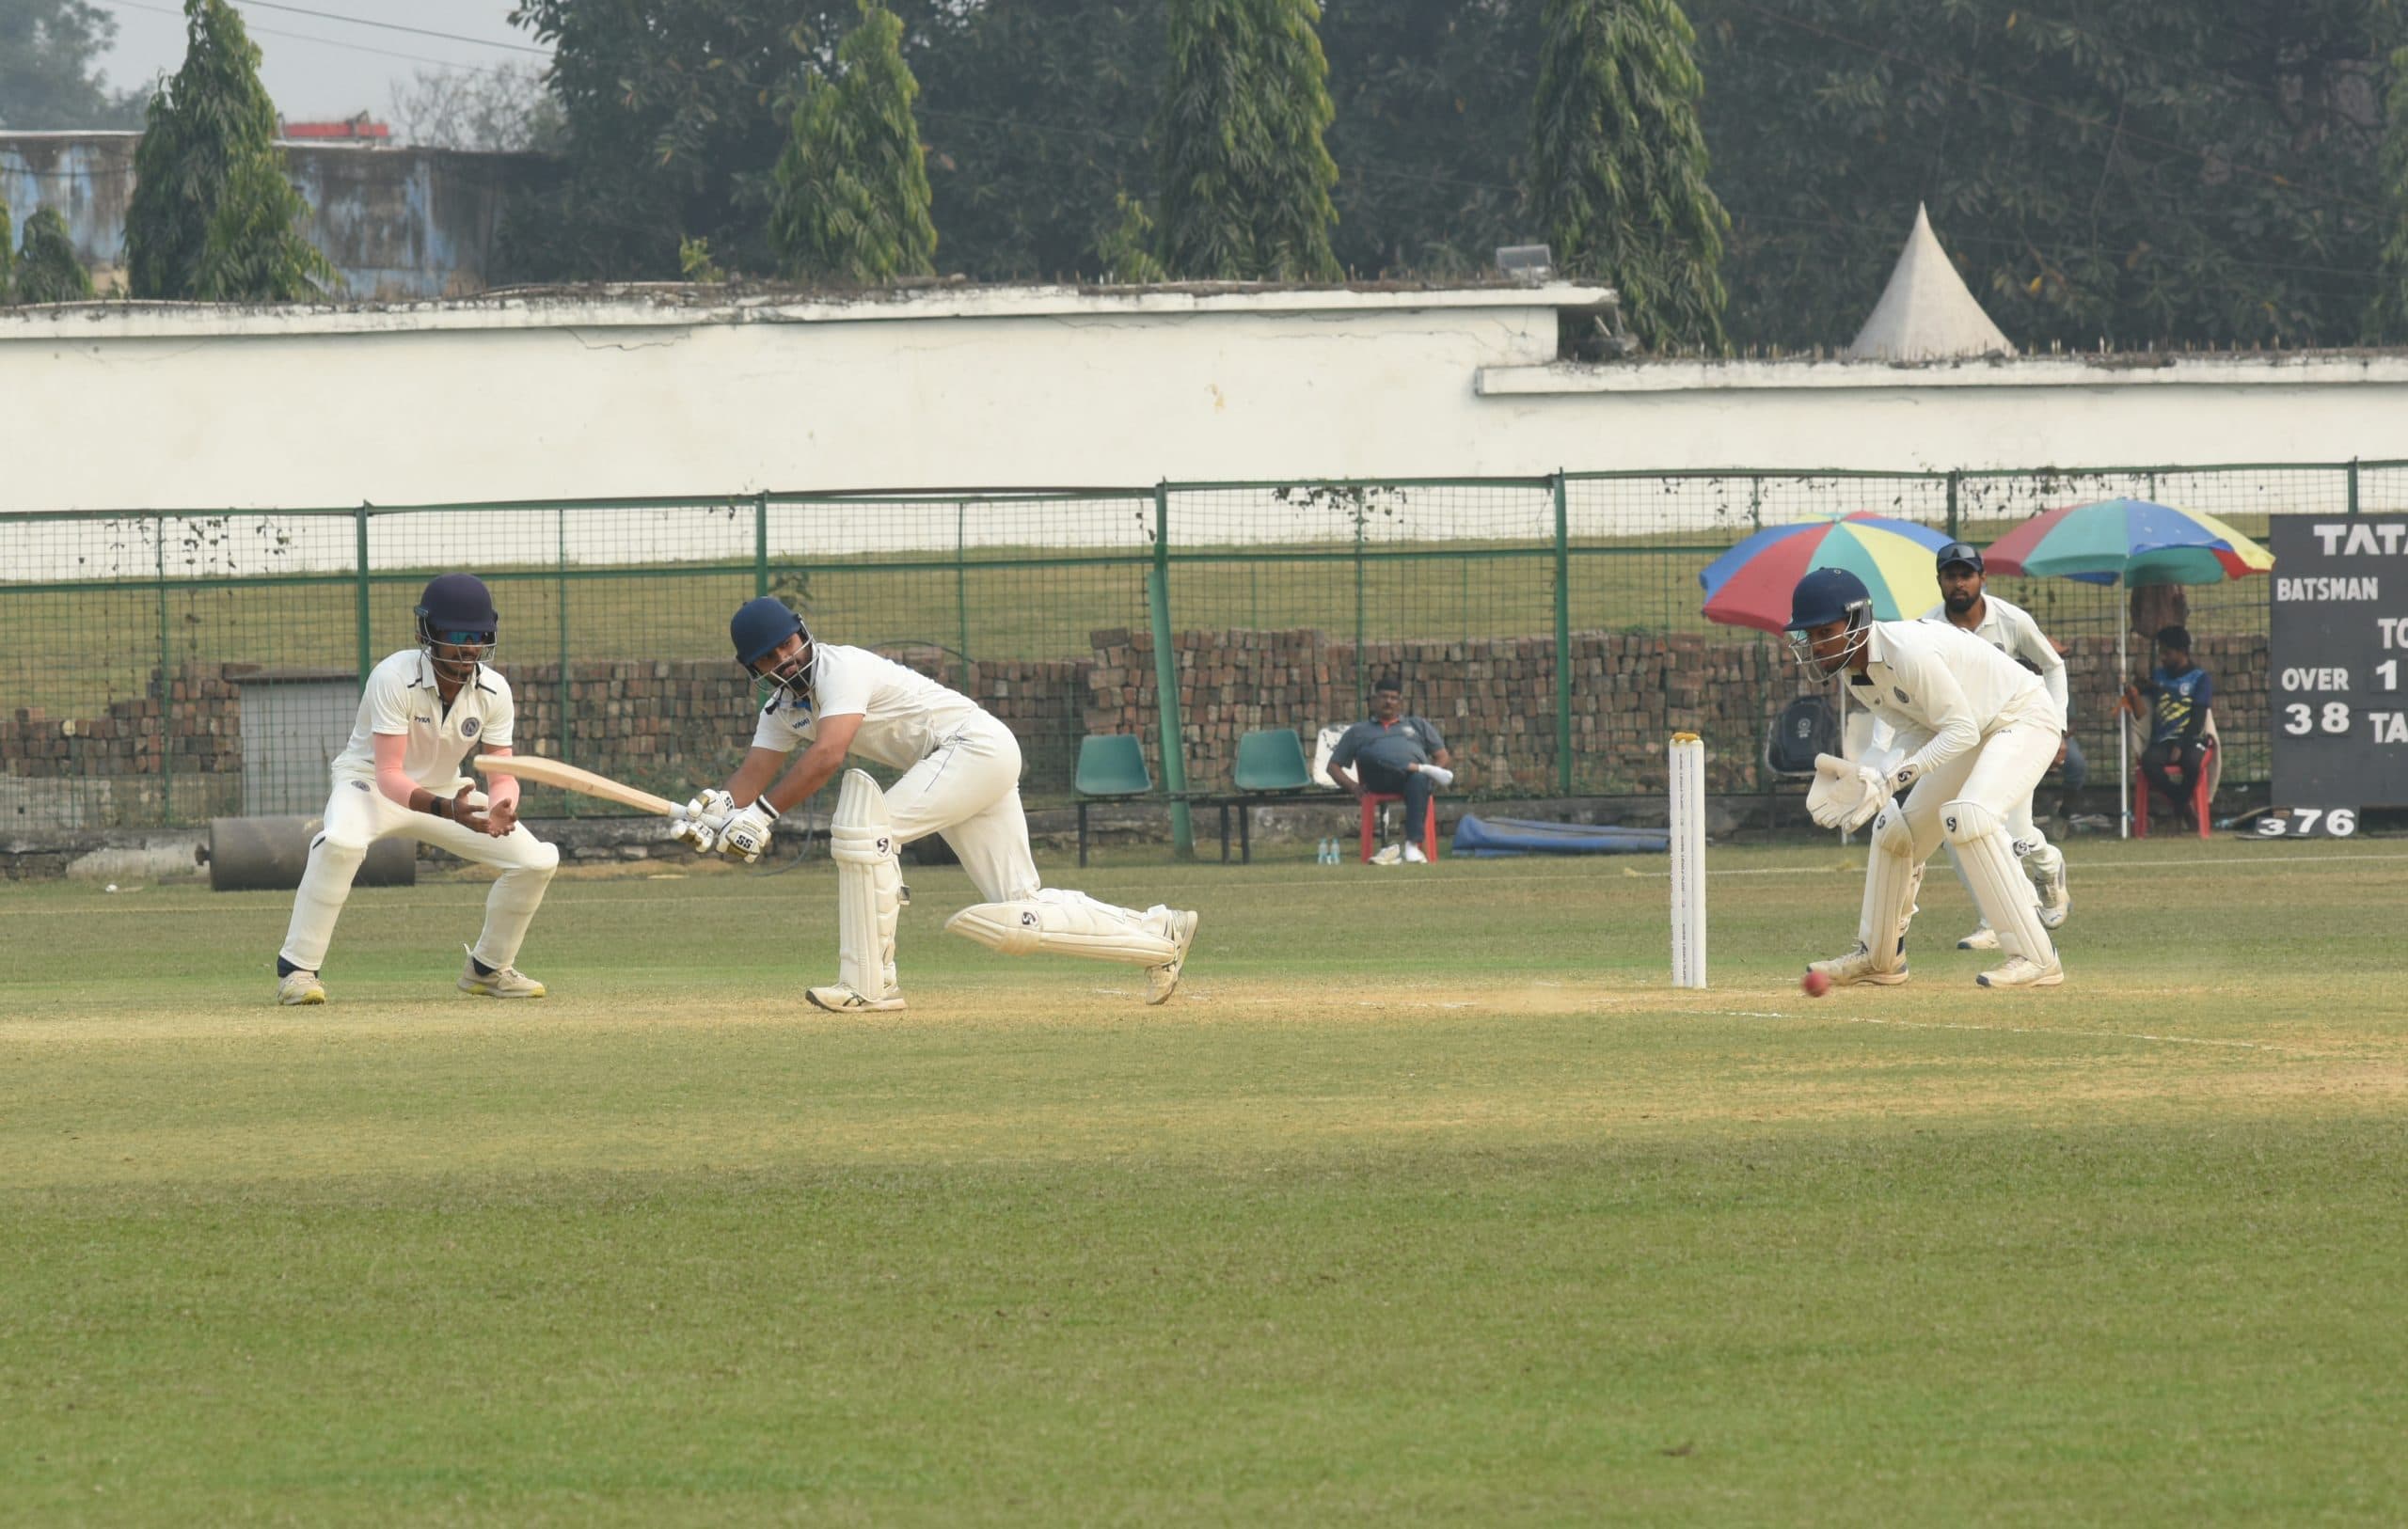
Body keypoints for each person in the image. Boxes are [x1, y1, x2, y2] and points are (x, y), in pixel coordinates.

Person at [676, 598, 1198, 1012]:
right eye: (767, 658)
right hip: (963, 762)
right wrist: (716, 810)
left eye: (786, 645)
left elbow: (829, 753)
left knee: (867, 835)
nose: (783, 660)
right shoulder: (780, 710)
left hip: (971, 747)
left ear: (802, 632)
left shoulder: (842, 668)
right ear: (753, 668)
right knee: (1022, 904)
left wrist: (761, 818)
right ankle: (1159, 934)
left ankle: (870, 985)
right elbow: (750, 777)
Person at [274, 574, 558, 1005]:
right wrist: (447, 809)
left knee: (536, 861)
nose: (468, 648)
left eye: (479, 636)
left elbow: (503, 769)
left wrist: (503, 805)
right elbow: (390, 774)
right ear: (429, 634)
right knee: (341, 843)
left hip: (448, 790)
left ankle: (487, 970)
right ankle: (298, 971)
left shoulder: (495, 689)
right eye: (457, 636)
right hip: (369, 783)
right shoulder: (392, 676)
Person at [1789, 567, 2066, 989]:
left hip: (2022, 717)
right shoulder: (1855, 671)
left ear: (1857, 620)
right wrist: (1872, 776)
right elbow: (1917, 730)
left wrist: (1892, 778)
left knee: (1969, 816)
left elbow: (1960, 731)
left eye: (1826, 631)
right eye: (1810, 636)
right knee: (1894, 831)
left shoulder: (1908, 652)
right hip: (1973, 728)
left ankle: (2036, 957)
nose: (1818, 645)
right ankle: (1880, 957)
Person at [1921, 541, 2072, 949]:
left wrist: (2056, 727)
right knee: (1958, 828)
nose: (1958, 583)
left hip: (2016, 733)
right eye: (1950, 576)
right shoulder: (1928, 630)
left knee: (2016, 832)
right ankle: (1993, 919)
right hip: (1965, 741)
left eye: (1966, 575)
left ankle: (2048, 864)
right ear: (1939, 581)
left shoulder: (2010, 620)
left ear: (1981, 579)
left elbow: (2054, 666)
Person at [1326, 675, 1454, 864]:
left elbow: (1443, 756)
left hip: (1409, 782)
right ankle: (1420, 767)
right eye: (1384, 697)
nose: (1389, 702)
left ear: (1400, 702)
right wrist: (1353, 787)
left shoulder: (1417, 725)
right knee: (1372, 754)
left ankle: (1412, 846)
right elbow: (1333, 766)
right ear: (1374, 701)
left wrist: (1432, 775)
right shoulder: (1359, 731)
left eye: (1394, 698)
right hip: (1377, 779)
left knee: (1419, 779)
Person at [2135, 625, 2214, 832]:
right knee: (2149, 763)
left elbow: (2198, 717)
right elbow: (2141, 697)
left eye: (2167, 653)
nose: (2162, 657)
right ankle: (2185, 808)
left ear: (2182, 652)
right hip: (2162, 739)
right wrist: (2137, 684)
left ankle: (2179, 809)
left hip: (2192, 738)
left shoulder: (2200, 679)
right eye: (2160, 652)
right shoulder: (2159, 676)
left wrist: (2181, 744)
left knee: (2191, 764)